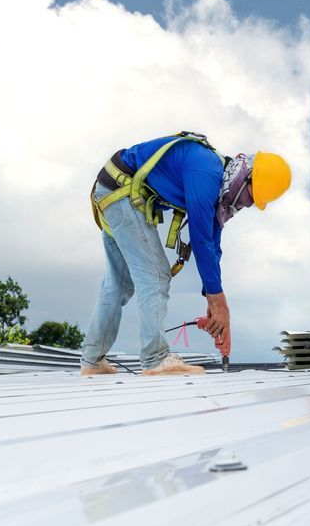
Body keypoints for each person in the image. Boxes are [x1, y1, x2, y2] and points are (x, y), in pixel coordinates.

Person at [82, 133, 291, 376]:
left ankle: (92, 361)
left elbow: (212, 240)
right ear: (245, 178)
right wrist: (217, 300)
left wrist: (214, 300)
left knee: (118, 283)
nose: (247, 204)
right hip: (120, 192)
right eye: (251, 197)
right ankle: (155, 359)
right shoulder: (206, 172)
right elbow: (201, 239)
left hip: (110, 188)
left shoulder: (216, 178)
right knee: (156, 275)